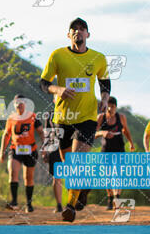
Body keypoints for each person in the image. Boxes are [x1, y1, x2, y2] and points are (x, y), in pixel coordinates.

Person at [39, 17, 110, 222]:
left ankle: (70, 206)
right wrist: (58, 89)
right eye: (74, 29)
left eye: (82, 29)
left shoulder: (98, 58)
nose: (78, 31)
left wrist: (104, 99)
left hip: (87, 117)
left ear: (88, 34)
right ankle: (81, 189)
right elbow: (44, 84)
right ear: (68, 34)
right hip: (63, 118)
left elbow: (105, 83)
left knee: (78, 162)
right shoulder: (57, 55)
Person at [0, 95, 45, 212]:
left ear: (25, 104)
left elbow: (41, 132)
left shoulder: (32, 116)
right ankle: (14, 202)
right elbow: (6, 134)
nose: (19, 104)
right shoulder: (11, 118)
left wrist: (45, 146)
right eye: (17, 102)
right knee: (13, 172)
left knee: (28, 178)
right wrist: (2, 151)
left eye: (22, 102)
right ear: (14, 104)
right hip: (15, 149)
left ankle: (29, 204)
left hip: (30, 150)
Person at [95, 96, 135, 210]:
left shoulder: (121, 117)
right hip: (106, 147)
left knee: (118, 173)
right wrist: (102, 132)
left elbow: (125, 130)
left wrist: (131, 143)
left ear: (116, 107)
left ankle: (117, 196)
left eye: (113, 107)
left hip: (119, 146)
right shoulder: (101, 117)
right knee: (107, 174)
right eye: (108, 107)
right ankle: (110, 197)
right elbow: (93, 133)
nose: (110, 109)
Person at [40, 94, 64, 213]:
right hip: (55, 148)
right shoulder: (49, 114)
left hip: (70, 146)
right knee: (57, 177)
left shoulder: (73, 113)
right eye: (57, 98)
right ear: (54, 100)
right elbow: (47, 133)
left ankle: (72, 203)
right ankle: (59, 205)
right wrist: (45, 149)